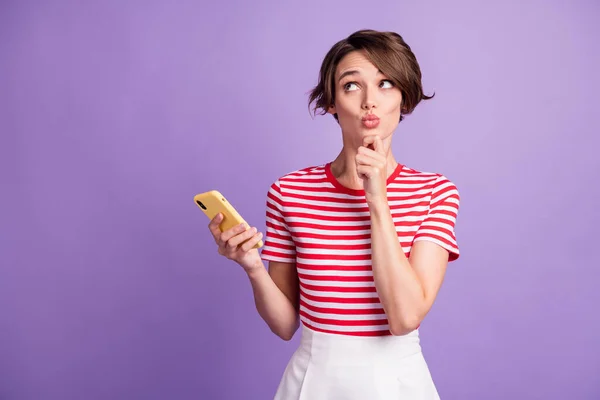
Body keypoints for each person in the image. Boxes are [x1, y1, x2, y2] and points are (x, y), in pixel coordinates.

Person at [207, 29, 460, 400]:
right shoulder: (289, 192)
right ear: (331, 102)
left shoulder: (434, 193)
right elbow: (284, 324)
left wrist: (377, 198)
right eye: (352, 86)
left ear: (404, 97)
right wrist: (252, 265)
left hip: (398, 383)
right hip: (313, 381)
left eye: (386, 83)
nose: (370, 101)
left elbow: (405, 318)